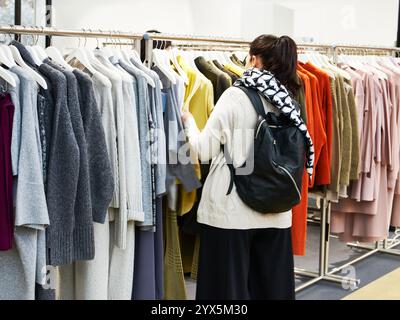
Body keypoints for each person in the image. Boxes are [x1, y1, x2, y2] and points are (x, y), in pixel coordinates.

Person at [182, 34, 307, 300]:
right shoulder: (288, 99)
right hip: (277, 211)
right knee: (270, 291)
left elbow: (203, 149)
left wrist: (189, 122)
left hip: (231, 212)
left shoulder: (236, 96)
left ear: (253, 58)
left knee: (226, 293)